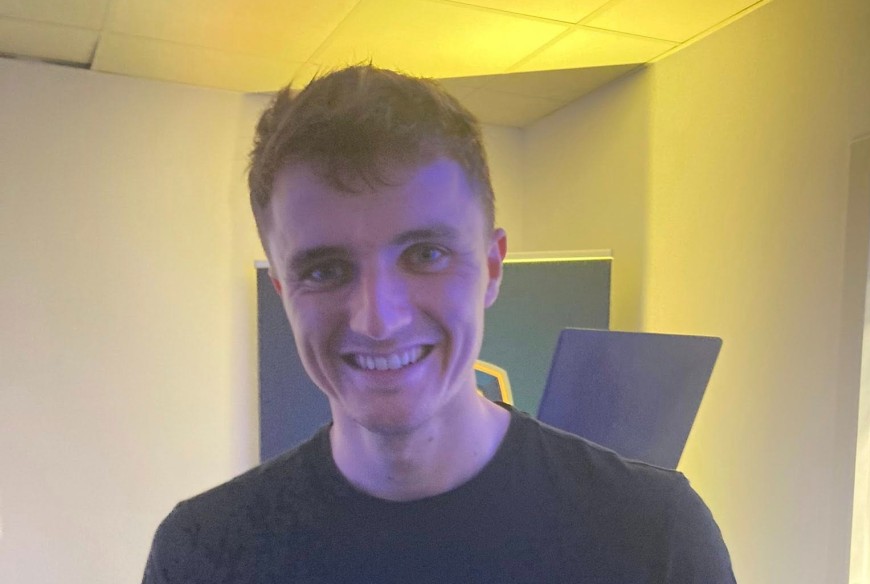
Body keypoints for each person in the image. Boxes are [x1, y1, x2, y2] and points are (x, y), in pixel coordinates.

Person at [142, 65, 735, 583]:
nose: (379, 320)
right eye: (325, 270)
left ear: (492, 267)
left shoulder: (653, 536)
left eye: (425, 254)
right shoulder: (203, 554)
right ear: (282, 291)